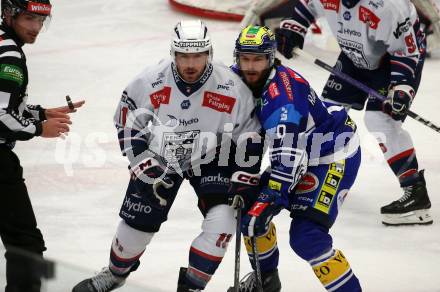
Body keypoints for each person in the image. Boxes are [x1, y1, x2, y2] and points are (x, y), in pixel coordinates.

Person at [72, 19, 263, 292]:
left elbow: (251, 134)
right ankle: (115, 274)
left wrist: (245, 174)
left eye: (197, 55)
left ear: (209, 53)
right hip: (162, 155)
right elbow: (127, 121)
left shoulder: (232, 86)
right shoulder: (152, 79)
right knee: (135, 227)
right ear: (173, 53)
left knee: (222, 222)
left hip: (212, 157)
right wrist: (142, 162)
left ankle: (192, 287)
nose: (190, 64)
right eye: (183, 55)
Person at [275, 0, 432, 225]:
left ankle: (416, 193)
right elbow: (306, 5)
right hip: (354, 55)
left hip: (394, 59)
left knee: (380, 120)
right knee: (326, 114)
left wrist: (402, 88)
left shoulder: (389, 6)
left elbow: (406, 52)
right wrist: (294, 29)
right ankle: (313, 178)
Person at [232, 25, 362, 292]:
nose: (251, 66)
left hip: (333, 152)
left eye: (258, 59)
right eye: (245, 58)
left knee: (307, 237)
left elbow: (287, 161)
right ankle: (266, 281)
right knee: (250, 213)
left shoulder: (282, 98)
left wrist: (270, 198)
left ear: (271, 59)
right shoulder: (234, 77)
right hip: (302, 149)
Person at [0, 0, 84, 291]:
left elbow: (7, 103)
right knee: (25, 242)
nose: (35, 28)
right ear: (8, 14)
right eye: (28, 19)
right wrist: (38, 128)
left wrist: (41, 112)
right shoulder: (9, 55)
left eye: (41, 21)